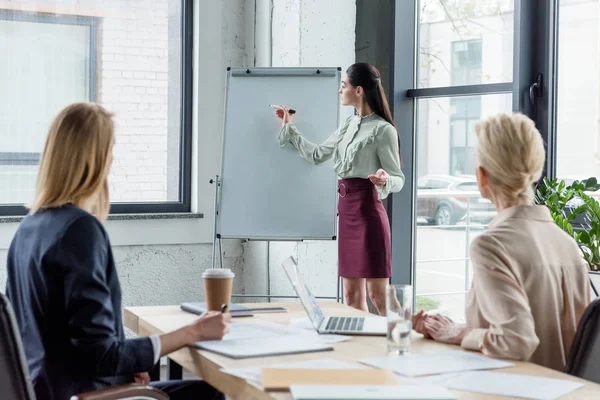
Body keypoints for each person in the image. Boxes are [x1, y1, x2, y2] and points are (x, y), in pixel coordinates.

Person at [5, 103, 230, 400]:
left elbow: (48, 336)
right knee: (212, 391)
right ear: (95, 159)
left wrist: (130, 366)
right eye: (110, 149)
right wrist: (194, 332)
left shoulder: (28, 228)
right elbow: (101, 355)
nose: (113, 160)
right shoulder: (79, 231)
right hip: (85, 395)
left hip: (44, 390)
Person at [412, 113, 591, 371]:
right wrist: (458, 330)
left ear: (482, 177)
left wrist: (461, 335)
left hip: (512, 389)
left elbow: (517, 340)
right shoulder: (566, 243)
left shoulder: (491, 245)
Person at [275, 63, 404, 315]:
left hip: (369, 215)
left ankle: (403, 344)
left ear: (358, 90)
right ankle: (362, 350)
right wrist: (290, 127)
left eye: (343, 85)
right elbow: (316, 154)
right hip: (346, 214)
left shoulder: (383, 130)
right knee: (350, 296)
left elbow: (398, 178)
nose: (339, 90)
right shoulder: (348, 125)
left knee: (378, 296)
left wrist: (384, 179)